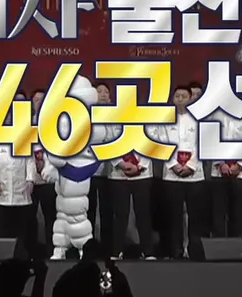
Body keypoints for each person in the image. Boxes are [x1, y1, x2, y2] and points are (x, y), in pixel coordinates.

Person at [157, 85, 208, 260]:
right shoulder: (165, 120)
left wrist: (191, 166)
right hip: (172, 175)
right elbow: (161, 143)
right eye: (177, 96)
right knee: (173, 216)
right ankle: (175, 250)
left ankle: (194, 250)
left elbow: (202, 144)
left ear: (190, 98)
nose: (180, 99)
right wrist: (174, 165)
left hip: (195, 176)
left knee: (195, 216)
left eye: (184, 96)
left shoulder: (200, 119)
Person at [206, 106, 242, 253]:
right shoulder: (215, 114)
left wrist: (240, 165)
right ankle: (218, 249)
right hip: (219, 171)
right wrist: (220, 163)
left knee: (239, 213)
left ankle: (239, 249)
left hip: (241, 173)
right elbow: (211, 140)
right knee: (218, 212)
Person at [107, 128, 157, 260]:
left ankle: (147, 251)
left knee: (143, 214)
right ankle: (116, 251)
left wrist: (140, 166)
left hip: (143, 174)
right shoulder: (112, 118)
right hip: (118, 175)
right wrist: (121, 164)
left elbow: (151, 142)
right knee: (120, 214)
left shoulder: (145, 118)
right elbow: (108, 143)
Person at [0, 142, 36, 257]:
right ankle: (4, 257)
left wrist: (30, 180)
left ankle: (21, 257)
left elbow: (30, 162)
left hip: (21, 194)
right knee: (3, 230)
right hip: (2, 194)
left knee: (21, 231)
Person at [29, 89, 57, 250]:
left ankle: (51, 250)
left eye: (42, 99)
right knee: (29, 218)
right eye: (36, 100)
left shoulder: (54, 124)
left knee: (51, 217)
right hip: (30, 178)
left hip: (49, 178)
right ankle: (31, 251)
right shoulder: (25, 123)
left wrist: (44, 163)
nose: (39, 103)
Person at [89, 82, 113, 251]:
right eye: (99, 91)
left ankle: (107, 247)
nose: (103, 94)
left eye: (106, 92)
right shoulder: (86, 115)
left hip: (110, 171)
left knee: (107, 211)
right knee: (88, 210)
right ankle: (88, 247)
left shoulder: (115, 115)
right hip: (89, 171)